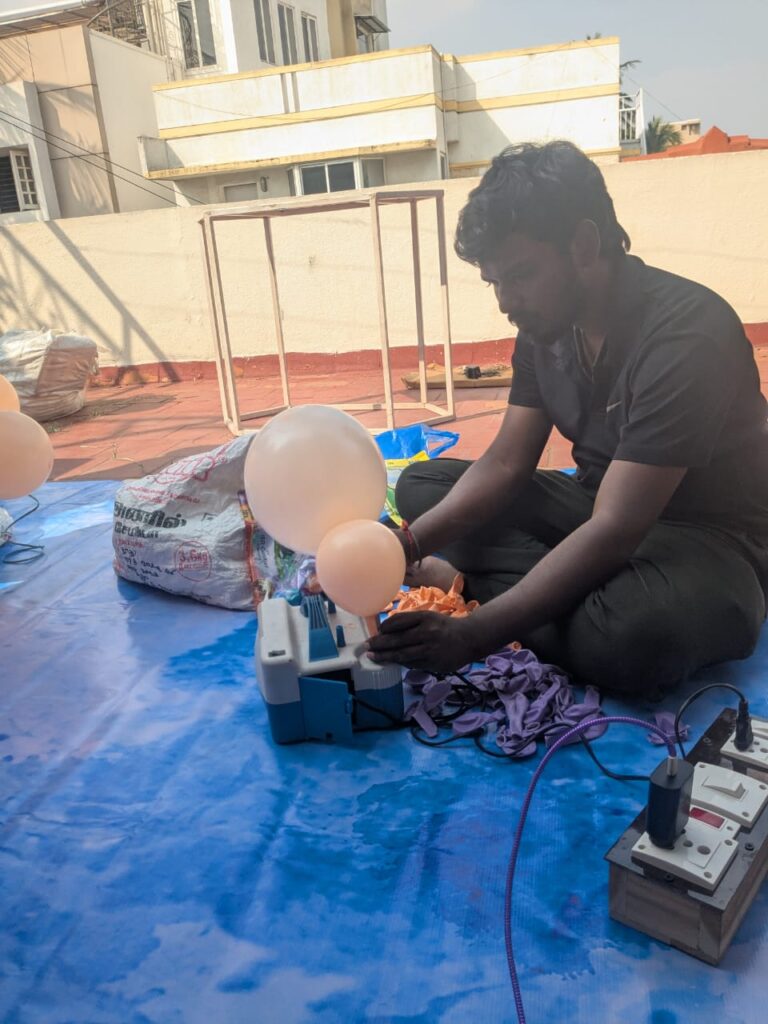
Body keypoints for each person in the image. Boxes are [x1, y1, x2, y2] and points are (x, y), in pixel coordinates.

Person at [367, 140, 768, 695]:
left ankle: (486, 585)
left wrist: (473, 633)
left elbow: (617, 526)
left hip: (709, 541)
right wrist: (403, 548)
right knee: (423, 486)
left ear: (584, 244)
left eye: (522, 274)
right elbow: (507, 462)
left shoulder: (686, 334)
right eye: (494, 281)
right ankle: (551, 591)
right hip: (596, 505)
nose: (506, 300)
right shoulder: (546, 326)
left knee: (633, 637)